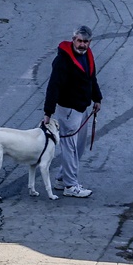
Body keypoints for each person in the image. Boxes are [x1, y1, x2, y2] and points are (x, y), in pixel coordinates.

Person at [43, 24, 103, 198]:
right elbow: (53, 86)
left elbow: (91, 77)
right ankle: (71, 185)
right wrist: (48, 112)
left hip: (82, 108)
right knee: (70, 147)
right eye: (79, 41)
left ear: (89, 42)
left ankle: (62, 179)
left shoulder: (88, 56)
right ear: (73, 39)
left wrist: (97, 98)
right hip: (68, 109)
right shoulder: (63, 60)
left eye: (85, 42)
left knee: (79, 146)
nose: (82, 45)